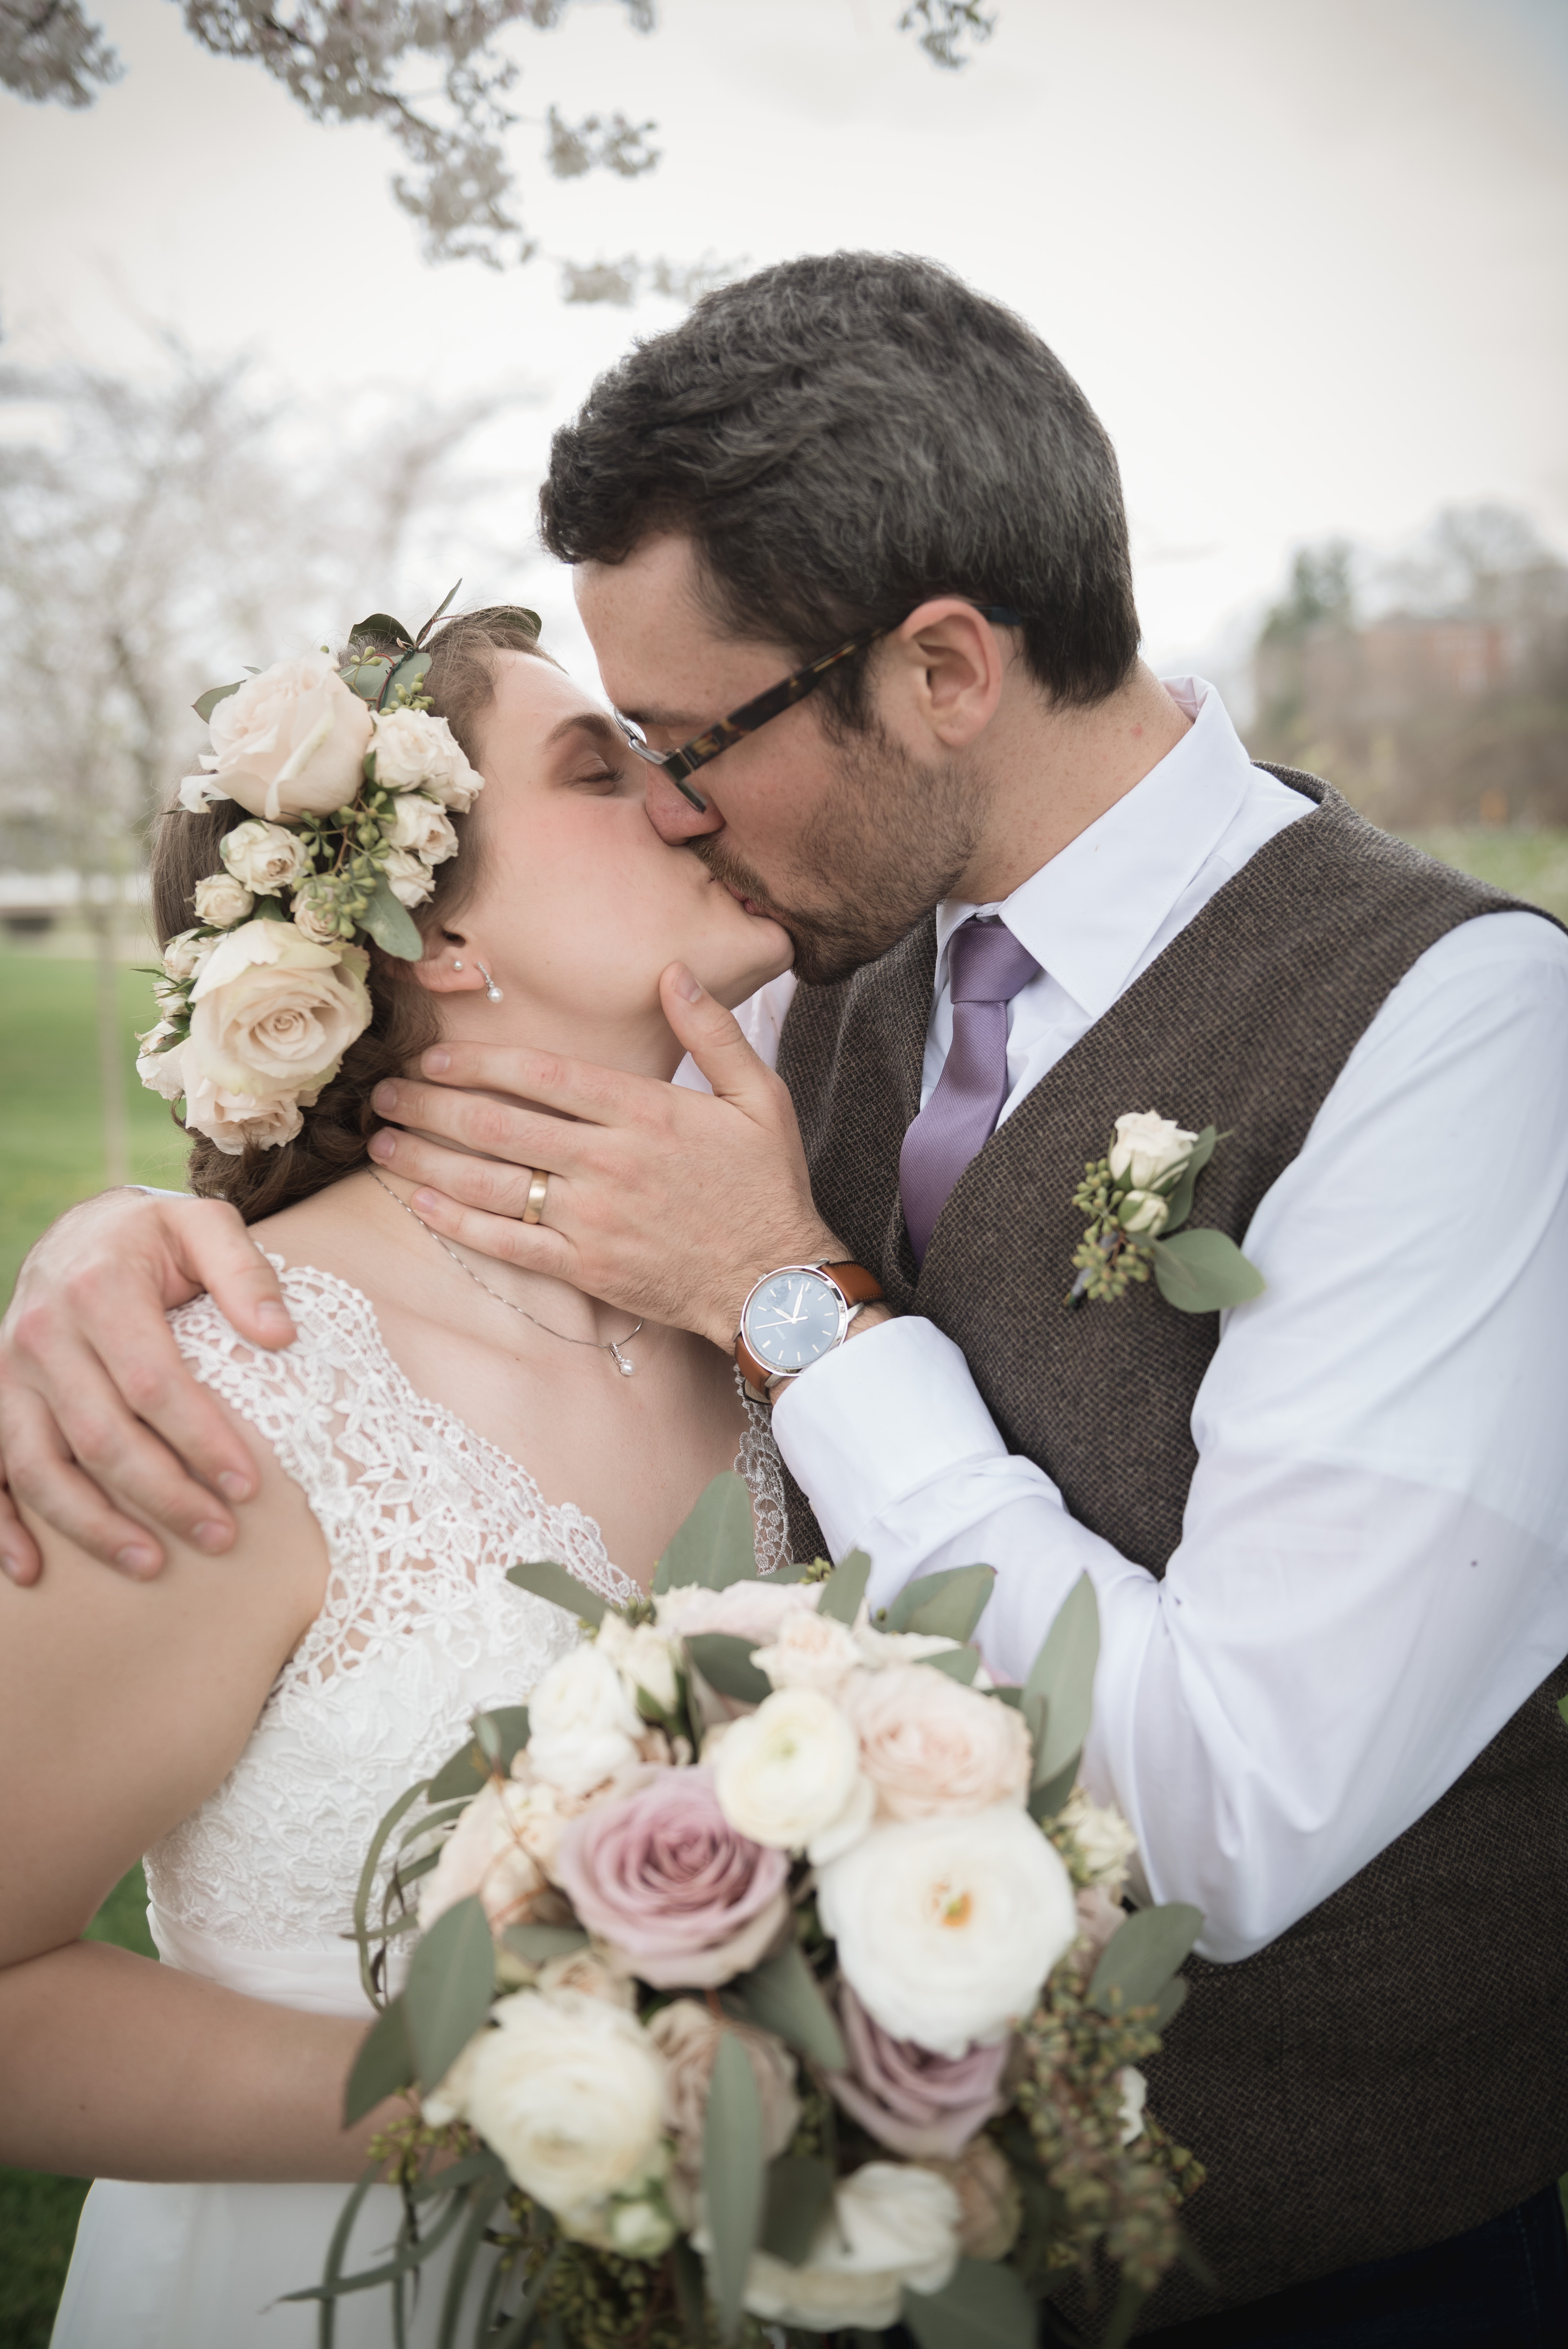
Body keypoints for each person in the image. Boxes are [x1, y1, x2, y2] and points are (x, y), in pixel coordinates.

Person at [3, 253, 1568, 2341]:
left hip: (1333, 2275)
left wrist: (791, 1303)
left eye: (687, 738)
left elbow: (1223, 1822)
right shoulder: (806, 977)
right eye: (616, 755)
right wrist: (119, 1242)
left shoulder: (1462, 1040)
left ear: (940, 672)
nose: (673, 799)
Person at [0, 608, 793, 2348]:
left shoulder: (767, 1317)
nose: (692, 798)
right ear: (427, 927)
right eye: (606, 767)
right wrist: (510, 2101)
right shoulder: (220, 1387)